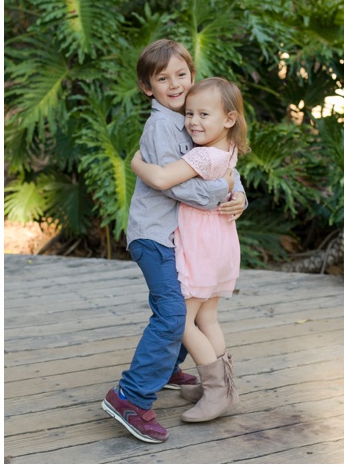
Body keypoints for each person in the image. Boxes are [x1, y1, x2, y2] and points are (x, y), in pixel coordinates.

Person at [101, 39, 247, 443]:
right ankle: (130, 397)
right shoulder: (163, 125)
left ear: (193, 75)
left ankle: (170, 372)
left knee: (184, 312)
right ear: (148, 87)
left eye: (181, 74)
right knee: (173, 316)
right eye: (162, 78)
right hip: (156, 237)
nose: (174, 83)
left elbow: (223, 166)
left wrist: (237, 194)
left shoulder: (197, 117)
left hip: (181, 238)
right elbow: (175, 187)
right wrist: (223, 191)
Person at [131, 77, 248, 422]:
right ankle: (224, 384)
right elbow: (229, 182)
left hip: (201, 245)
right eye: (190, 114)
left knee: (181, 320)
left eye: (203, 115)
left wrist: (137, 163)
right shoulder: (227, 149)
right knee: (206, 316)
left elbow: (165, 178)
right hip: (222, 241)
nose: (193, 121)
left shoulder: (201, 155)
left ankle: (216, 392)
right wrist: (236, 191)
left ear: (228, 119)